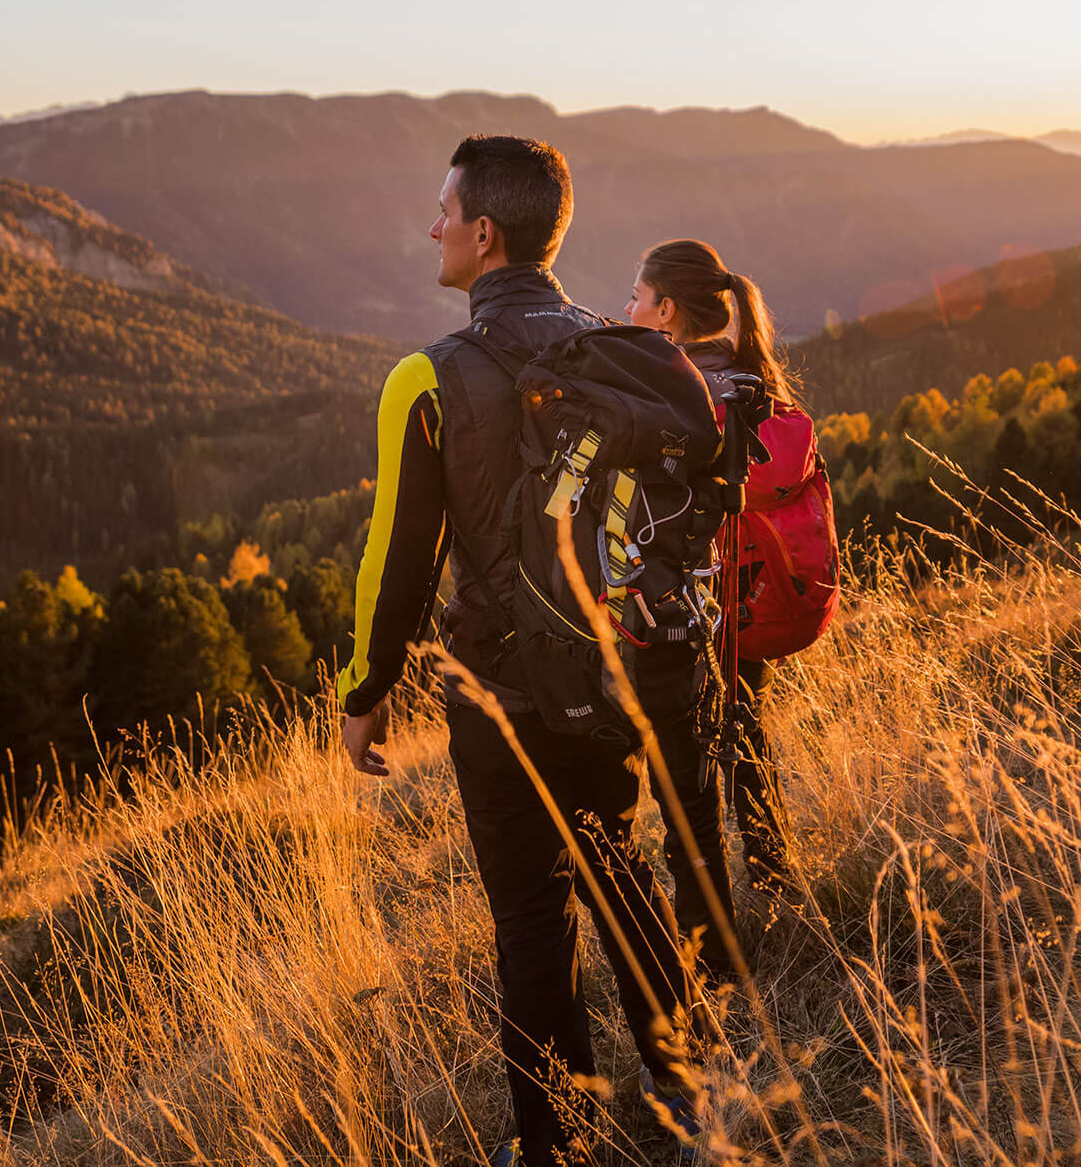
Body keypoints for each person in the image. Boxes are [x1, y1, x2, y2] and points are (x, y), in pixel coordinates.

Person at [338, 136, 697, 1167]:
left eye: (443, 208)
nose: (432, 225)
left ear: (484, 233)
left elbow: (397, 564)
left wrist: (365, 692)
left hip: (501, 697)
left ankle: (556, 1141)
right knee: (617, 863)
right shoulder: (617, 348)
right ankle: (677, 1084)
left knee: (532, 915)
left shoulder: (432, 377)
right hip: (612, 667)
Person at [624, 238, 802, 981]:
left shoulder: (666, 391)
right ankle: (778, 883)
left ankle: (710, 958)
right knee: (747, 744)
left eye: (637, 297)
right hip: (745, 603)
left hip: (674, 619)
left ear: (666, 309)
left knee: (682, 785)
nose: (629, 308)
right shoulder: (753, 383)